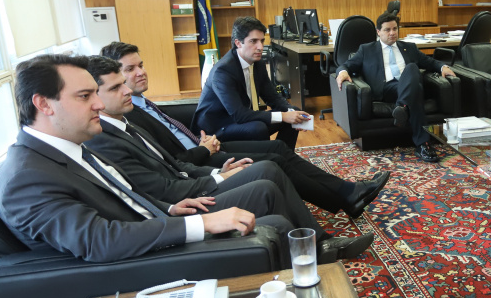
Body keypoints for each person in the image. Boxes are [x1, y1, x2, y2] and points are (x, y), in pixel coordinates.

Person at [0, 54, 294, 263]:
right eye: (85, 96)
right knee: (276, 224)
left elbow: (123, 198)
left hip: (158, 225)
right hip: (143, 261)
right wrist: (202, 223)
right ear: (43, 104)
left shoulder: (66, 148)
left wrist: (170, 208)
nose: (99, 104)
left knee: (267, 194)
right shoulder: (26, 177)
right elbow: (100, 240)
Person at [83, 56, 374, 263]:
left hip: (196, 170)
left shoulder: (126, 121)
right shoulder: (106, 136)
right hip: (190, 194)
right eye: (116, 86)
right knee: (269, 171)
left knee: (272, 164)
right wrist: (216, 176)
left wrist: (218, 171)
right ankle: (320, 240)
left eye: (128, 78)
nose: (127, 89)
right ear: (94, 96)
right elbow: (163, 187)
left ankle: (325, 228)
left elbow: (171, 164)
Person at [99, 42, 389, 218]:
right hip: (213, 140)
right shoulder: (126, 110)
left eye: (141, 65)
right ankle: (342, 194)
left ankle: (344, 193)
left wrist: (287, 111)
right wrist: (205, 147)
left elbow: (270, 95)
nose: (140, 72)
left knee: (283, 141)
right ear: (238, 44)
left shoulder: (257, 64)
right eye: (129, 69)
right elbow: (235, 116)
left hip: (203, 144)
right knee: (274, 153)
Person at [335, 11, 457, 163]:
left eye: (395, 29)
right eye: (387, 30)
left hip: (408, 86)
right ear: (378, 32)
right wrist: (343, 72)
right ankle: (423, 144)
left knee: (412, 69)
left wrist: (443, 67)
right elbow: (346, 65)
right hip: (386, 89)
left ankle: (403, 109)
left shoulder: (410, 47)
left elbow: (430, 62)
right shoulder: (366, 50)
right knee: (416, 89)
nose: (392, 33)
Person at [192, 16, 310, 148]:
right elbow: (240, 115)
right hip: (217, 128)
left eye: (262, 41)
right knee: (258, 128)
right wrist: (283, 116)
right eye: (253, 41)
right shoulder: (223, 71)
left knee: (293, 112)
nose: (260, 47)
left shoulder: (256, 63)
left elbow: (273, 98)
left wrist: (292, 112)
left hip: (240, 119)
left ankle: (285, 158)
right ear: (238, 43)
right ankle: (268, 162)